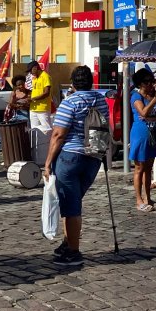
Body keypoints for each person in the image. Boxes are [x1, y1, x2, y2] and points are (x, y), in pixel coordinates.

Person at [43, 66, 108, 267]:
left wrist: (47, 162)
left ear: (72, 83)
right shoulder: (101, 100)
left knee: (70, 205)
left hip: (71, 156)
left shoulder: (70, 102)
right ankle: (68, 241)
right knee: (72, 200)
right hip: (94, 156)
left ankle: (73, 250)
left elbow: (59, 134)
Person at [128, 68, 156, 212]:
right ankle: (139, 200)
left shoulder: (150, 96)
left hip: (152, 132)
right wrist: (155, 99)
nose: (150, 84)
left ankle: (148, 197)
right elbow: (142, 112)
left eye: (151, 81)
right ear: (140, 83)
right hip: (140, 133)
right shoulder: (136, 97)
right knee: (139, 167)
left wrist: (152, 117)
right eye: (146, 82)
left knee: (149, 168)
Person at [0, 75, 30, 166]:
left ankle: (15, 157)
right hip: (15, 115)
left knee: (21, 136)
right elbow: (10, 104)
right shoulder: (14, 93)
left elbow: (28, 105)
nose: (20, 87)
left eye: (21, 85)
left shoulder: (29, 93)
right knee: (1, 134)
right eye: (18, 85)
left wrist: (18, 105)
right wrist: (17, 105)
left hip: (25, 115)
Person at [27, 60, 53, 152]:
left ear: (35, 68)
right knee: (35, 130)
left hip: (43, 108)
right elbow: (33, 91)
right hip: (33, 108)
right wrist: (29, 98)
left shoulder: (45, 76)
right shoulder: (34, 78)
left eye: (31, 70)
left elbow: (46, 93)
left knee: (47, 129)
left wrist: (33, 99)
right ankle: (37, 151)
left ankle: (49, 150)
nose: (30, 72)